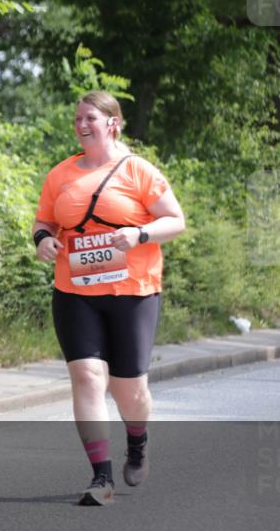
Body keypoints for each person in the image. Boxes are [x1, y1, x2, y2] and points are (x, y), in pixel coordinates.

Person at [33, 91, 185, 505]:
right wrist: (44, 240)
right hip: (75, 290)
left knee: (128, 390)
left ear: (112, 123)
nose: (82, 125)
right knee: (86, 377)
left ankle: (137, 442)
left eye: (90, 118)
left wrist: (139, 234)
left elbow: (175, 220)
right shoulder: (60, 174)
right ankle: (101, 478)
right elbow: (43, 221)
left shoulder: (138, 171)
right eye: (77, 118)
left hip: (132, 291)